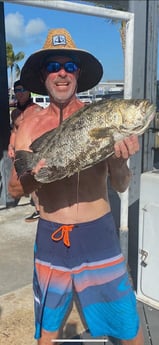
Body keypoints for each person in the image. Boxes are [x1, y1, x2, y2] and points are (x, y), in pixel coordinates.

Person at [8, 28, 144, 345]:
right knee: (48, 331)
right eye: (54, 66)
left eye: (69, 66)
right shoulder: (27, 124)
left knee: (128, 328)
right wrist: (23, 169)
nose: (61, 73)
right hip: (51, 239)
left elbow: (121, 185)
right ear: (43, 74)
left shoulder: (101, 118)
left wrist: (122, 162)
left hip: (99, 236)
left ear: (78, 73)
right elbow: (15, 192)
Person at [8, 80, 40, 222]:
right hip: (19, 153)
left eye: (23, 89)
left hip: (33, 152)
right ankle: (38, 209)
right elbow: (14, 131)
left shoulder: (36, 110)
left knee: (37, 181)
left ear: (29, 92)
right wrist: (10, 147)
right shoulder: (15, 113)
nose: (20, 93)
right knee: (23, 183)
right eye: (17, 90)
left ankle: (42, 209)